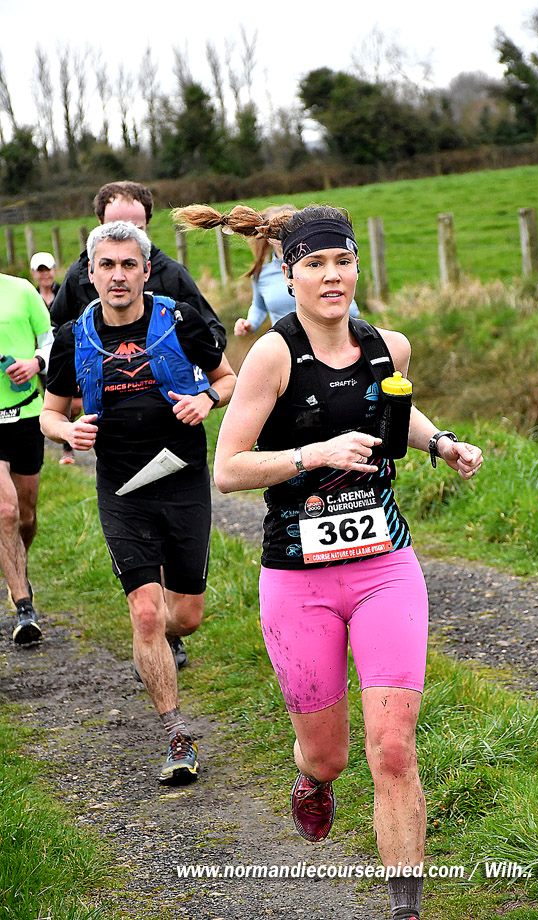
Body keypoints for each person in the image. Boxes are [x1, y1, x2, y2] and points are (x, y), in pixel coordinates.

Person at [173, 203, 483, 920]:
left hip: (384, 567)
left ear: (355, 267)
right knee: (328, 756)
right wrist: (313, 453)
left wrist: (442, 444)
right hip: (298, 577)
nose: (331, 275)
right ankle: (312, 781)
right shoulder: (273, 356)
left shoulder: (388, 347)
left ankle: (405, 908)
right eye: (314, 263)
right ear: (289, 275)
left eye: (342, 260)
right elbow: (228, 469)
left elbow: (396, 414)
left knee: (393, 750)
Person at [40, 221, 236, 785]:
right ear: (90, 273)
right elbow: (51, 412)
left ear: (146, 271)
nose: (118, 275)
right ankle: (177, 736)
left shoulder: (180, 320)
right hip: (121, 487)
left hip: (182, 478)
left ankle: (161, 646)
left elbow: (229, 379)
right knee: (146, 612)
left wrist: (206, 399)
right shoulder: (74, 337)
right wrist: (66, 430)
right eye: (107, 265)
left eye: (129, 264)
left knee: (186, 617)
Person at [50, 180, 226, 350]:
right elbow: (56, 330)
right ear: (100, 222)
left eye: (136, 230)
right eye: (115, 229)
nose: (126, 238)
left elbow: (213, 334)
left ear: (147, 223)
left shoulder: (172, 274)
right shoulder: (78, 275)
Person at [0, 272, 53, 644]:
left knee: (26, 516)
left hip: (26, 414)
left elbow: (51, 341)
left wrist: (35, 363)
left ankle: (15, 565)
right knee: (6, 511)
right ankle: (24, 606)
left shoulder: (21, 290)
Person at [233, 204, 359, 339]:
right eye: (276, 232)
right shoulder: (261, 275)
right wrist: (250, 323)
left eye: (289, 230)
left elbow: (351, 309)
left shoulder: (329, 273)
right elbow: (259, 306)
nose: (283, 237)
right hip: (285, 343)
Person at [30, 251, 75, 465]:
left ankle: (68, 444)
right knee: (50, 397)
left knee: (70, 401)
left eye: (47, 269)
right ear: (34, 274)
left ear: (54, 270)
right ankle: (63, 446)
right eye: (40, 271)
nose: (45, 274)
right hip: (41, 355)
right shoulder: (31, 297)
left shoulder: (65, 292)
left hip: (65, 352)